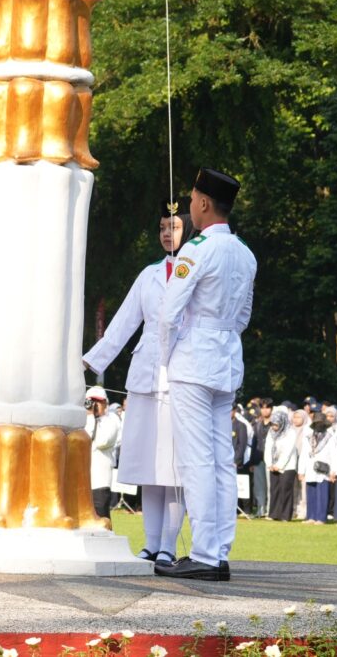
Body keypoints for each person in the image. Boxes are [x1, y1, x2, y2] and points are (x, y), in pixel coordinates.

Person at [155, 167, 256, 581]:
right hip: (227, 358)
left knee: (196, 459)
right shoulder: (245, 252)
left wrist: (167, 357)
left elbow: (169, 313)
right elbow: (244, 315)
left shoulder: (196, 250)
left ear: (202, 203)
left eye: (193, 200)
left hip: (194, 359)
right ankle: (219, 550)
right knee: (221, 461)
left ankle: (204, 553)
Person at [84, 200, 195, 566]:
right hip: (145, 374)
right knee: (149, 465)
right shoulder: (148, 274)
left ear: (188, 228)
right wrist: (90, 360)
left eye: (173, 227)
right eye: (162, 227)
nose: (166, 233)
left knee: (173, 468)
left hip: (180, 374)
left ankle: (168, 545)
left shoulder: (197, 269)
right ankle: (150, 543)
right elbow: (124, 322)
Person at [84, 386, 121, 521]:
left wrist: (90, 417)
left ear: (106, 403)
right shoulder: (81, 420)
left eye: (98, 401)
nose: (95, 405)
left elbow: (101, 441)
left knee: (101, 521)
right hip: (80, 481)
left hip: (99, 481)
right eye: (91, 401)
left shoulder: (112, 420)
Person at [299, 411, 334, 525]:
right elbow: (303, 454)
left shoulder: (330, 437)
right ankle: (311, 516)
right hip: (310, 467)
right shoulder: (308, 437)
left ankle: (321, 518)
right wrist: (301, 471)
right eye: (317, 423)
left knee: (322, 493)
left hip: (323, 468)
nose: (319, 425)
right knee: (311, 493)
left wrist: (333, 471)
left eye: (321, 423)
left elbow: (333, 455)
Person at [265, 408, 298, 521]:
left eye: (276, 424)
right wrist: (269, 463)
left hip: (287, 466)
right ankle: (274, 514)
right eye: (272, 424)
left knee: (285, 490)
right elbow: (268, 448)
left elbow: (288, 451)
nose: (274, 427)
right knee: (274, 490)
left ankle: (285, 515)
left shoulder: (290, 432)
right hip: (273, 465)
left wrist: (279, 465)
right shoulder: (271, 432)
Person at [250, 399, 272, 517]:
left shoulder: (275, 424)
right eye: (262, 407)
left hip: (271, 459)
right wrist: (252, 462)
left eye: (267, 407)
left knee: (270, 486)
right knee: (259, 486)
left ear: (271, 409)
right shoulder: (257, 424)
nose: (265, 410)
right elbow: (254, 443)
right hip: (258, 458)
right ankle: (260, 509)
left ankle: (270, 509)